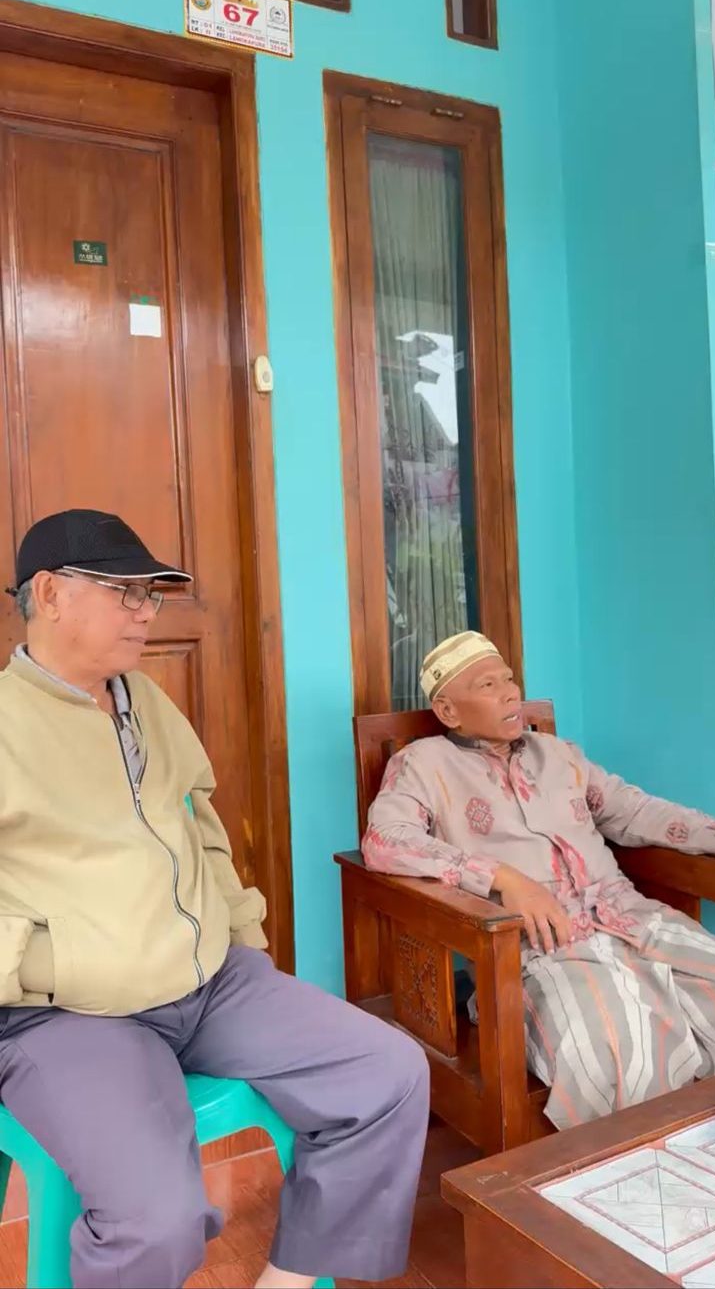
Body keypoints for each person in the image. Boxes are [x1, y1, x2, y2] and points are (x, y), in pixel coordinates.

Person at [0, 509, 429, 1289]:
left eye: (151, 595)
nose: (146, 612)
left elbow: (200, 825)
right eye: (125, 592)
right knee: (155, 1221)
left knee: (388, 1073)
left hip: (207, 983)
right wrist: (41, 965)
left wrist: (239, 937)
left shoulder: (145, 701)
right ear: (52, 594)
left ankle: (289, 1281)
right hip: (71, 1015)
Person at [363, 629, 715, 1131]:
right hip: (539, 947)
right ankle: (641, 1166)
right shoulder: (422, 764)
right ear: (448, 711)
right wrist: (502, 878)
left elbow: (632, 810)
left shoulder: (559, 755)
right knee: (616, 1048)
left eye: (509, 680)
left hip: (631, 921)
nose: (510, 693)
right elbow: (385, 840)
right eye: (488, 685)